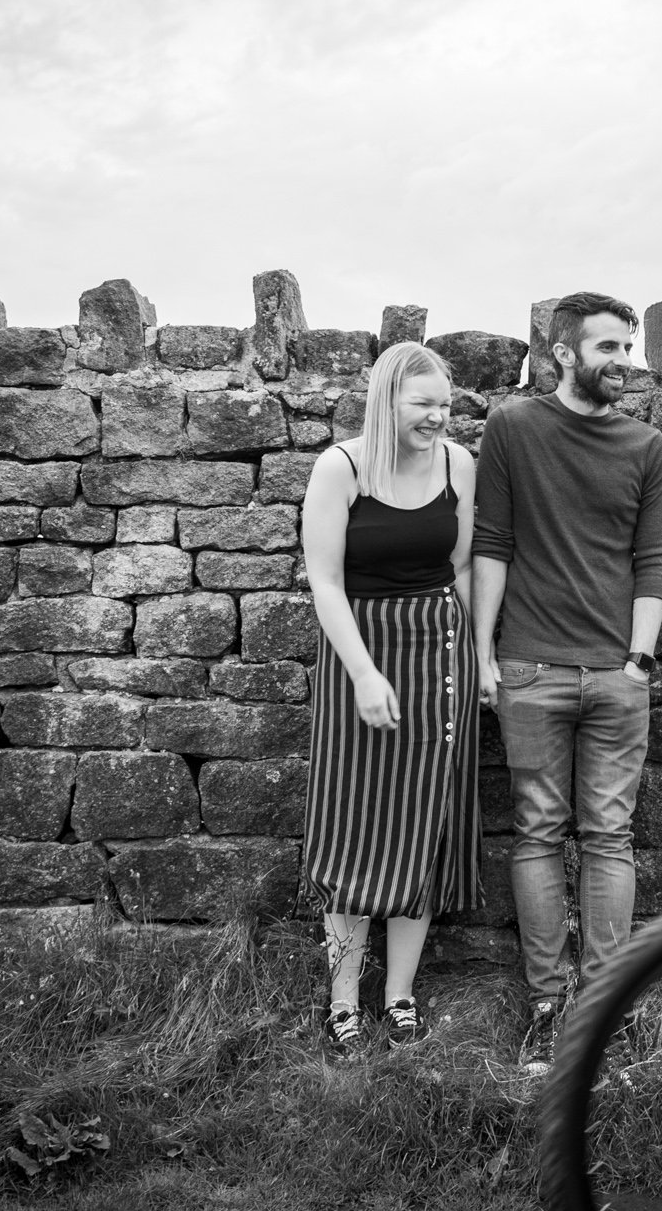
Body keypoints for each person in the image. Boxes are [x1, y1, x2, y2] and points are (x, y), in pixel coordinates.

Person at [471, 292, 662, 1074]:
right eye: (608, 349)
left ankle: (601, 1007)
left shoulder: (647, 446)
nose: (623, 361)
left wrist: (639, 660)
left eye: (627, 347)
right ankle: (548, 1004)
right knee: (537, 833)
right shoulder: (513, 429)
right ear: (563, 353)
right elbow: (493, 542)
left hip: (618, 673)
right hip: (530, 667)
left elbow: (651, 559)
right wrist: (488, 653)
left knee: (610, 836)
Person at [300, 341, 481, 1053]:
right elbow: (325, 581)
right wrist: (365, 673)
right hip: (360, 657)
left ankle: (399, 994)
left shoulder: (458, 465)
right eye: (424, 405)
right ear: (386, 402)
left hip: (441, 652)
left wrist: (482, 659)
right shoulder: (339, 467)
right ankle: (343, 997)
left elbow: (462, 568)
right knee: (356, 822)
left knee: (425, 822)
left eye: (445, 404)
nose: (439, 417)